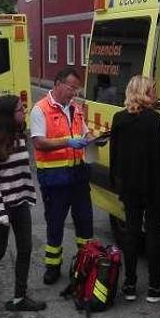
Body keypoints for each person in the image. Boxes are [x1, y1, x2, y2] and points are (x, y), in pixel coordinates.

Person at [0, 95, 45, 311]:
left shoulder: (20, 136)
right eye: (20, 110)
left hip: (20, 202)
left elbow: (23, 172)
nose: (24, 112)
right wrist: (1, 211)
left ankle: (20, 298)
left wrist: (29, 194)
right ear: (8, 115)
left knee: (25, 249)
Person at [109, 75, 160, 303]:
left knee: (130, 234)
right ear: (145, 92)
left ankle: (129, 285)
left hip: (129, 186)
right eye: (153, 90)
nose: (156, 94)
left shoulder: (119, 119)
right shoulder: (155, 120)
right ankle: (154, 287)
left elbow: (115, 156)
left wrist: (117, 182)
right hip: (152, 186)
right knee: (152, 234)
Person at [31, 68, 95, 285]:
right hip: (54, 177)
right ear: (58, 84)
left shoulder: (75, 108)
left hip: (78, 174)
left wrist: (93, 138)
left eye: (76, 88)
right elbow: (39, 142)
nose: (74, 92)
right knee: (55, 223)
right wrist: (68, 142)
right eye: (71, 87)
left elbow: (84, 132)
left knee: (85, 222)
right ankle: (53, 266)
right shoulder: (40, 109)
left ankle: (85, 262)